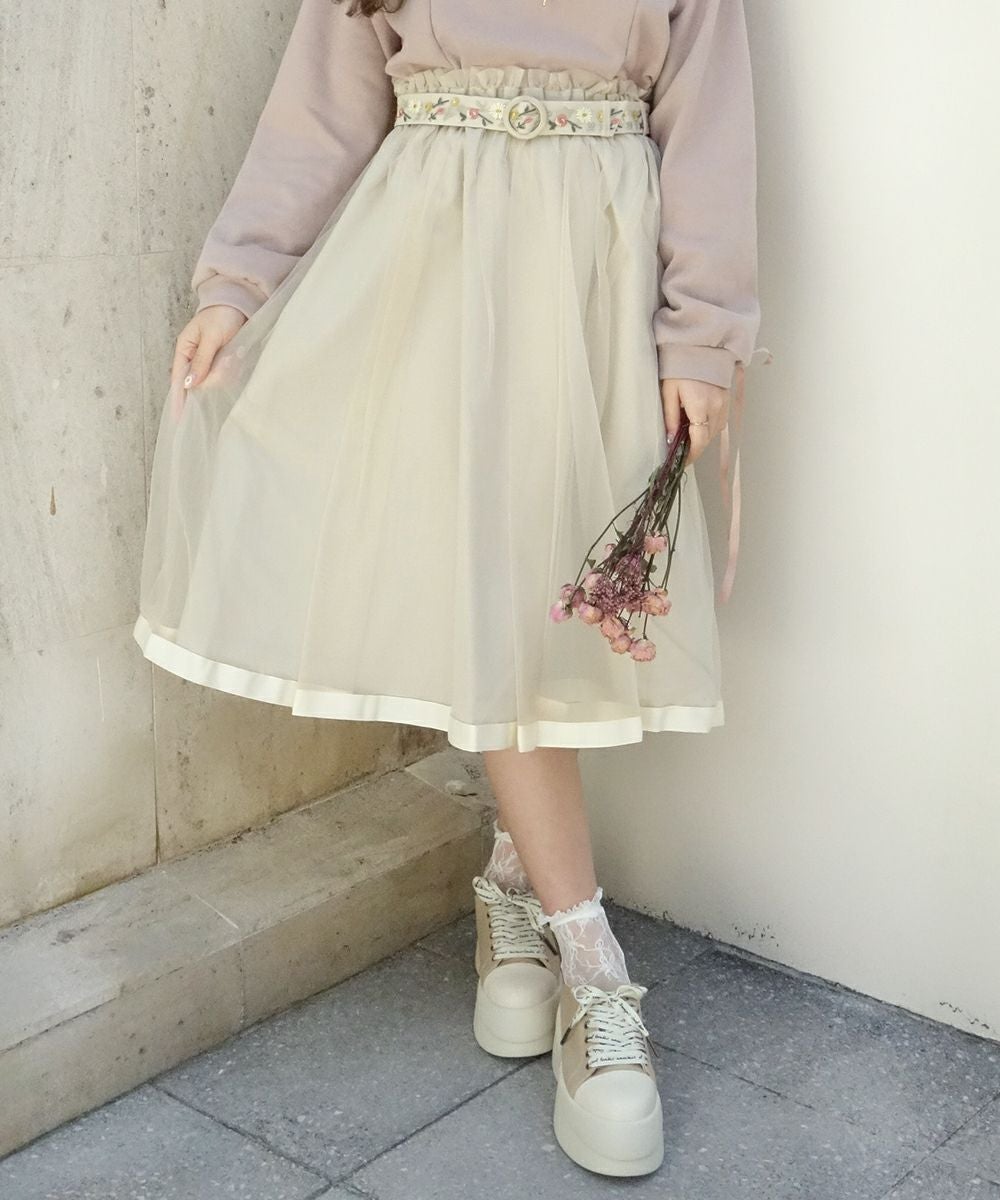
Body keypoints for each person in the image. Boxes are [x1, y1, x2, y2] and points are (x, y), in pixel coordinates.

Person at [133, 0, 763, 1177]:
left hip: (592, 281)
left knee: (543, 614)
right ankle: (589, 963)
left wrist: (703, 335)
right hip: (425, 277)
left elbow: (709, 132)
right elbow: (319, 112)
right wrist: (237, 281)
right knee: (496, 607)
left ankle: (514, 888)